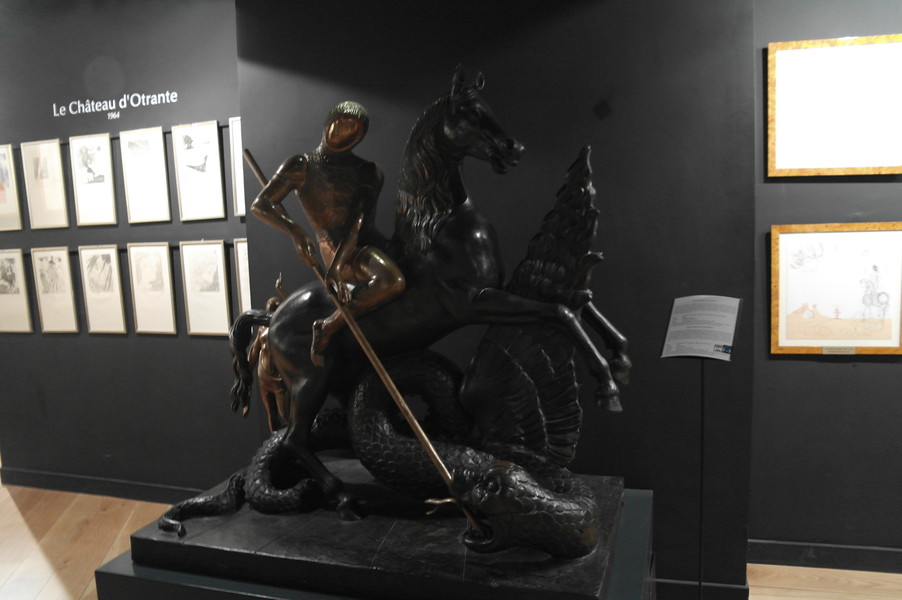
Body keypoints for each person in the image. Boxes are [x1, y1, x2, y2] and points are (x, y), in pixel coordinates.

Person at [252, 101, 405, 366]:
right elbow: (261, 205)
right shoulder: (301, 165)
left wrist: (335, 269)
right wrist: (295, 230)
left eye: (353, 127)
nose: (344, 129)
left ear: (359, 135)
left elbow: (358, 220)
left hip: (368, 241)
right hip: (340, 249)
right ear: (329, 123)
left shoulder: (368, 170)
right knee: (392, 281)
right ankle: (327, 327)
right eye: (341, 121)